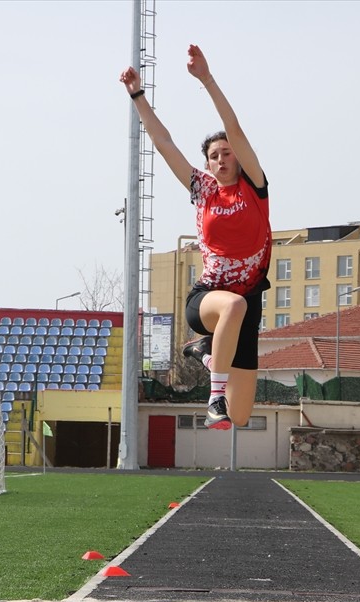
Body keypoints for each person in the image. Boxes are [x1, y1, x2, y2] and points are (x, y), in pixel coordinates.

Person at [120, 44, 271, 430]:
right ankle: (213, 397)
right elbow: (164, 142)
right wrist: (138, 97)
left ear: (237, 157)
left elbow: (235, 130)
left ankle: (206, 354)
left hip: (248, 305)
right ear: (207, 164)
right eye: (214, 156)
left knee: (240, 417)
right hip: (207, 300)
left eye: (227, 153)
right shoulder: (202, 190)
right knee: (232, 306)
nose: (222, 159)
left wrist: (206, 79)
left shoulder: (253, 186)